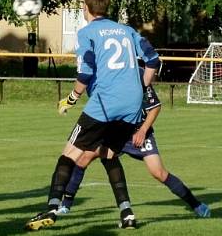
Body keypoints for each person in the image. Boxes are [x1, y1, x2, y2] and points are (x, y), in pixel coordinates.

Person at [24, 0, 160, 231]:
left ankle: (52, 209)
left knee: (68, 154)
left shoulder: (87, 32)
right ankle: (127, 213)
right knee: (108, 155)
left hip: (106, 104)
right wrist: (141, 86)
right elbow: (153, 60)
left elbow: (85, 72)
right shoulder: (127, 30)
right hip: (132, 107)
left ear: (86, 9)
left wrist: (71, 99)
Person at [58, 78, 210, 218]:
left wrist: (143, 130)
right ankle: (66, 204)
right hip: (116, 131)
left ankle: (197, 205)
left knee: (158, 172)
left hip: (139, 133)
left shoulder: (140, 76)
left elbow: (155, 107)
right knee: (84, 158)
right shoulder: (110, 74)